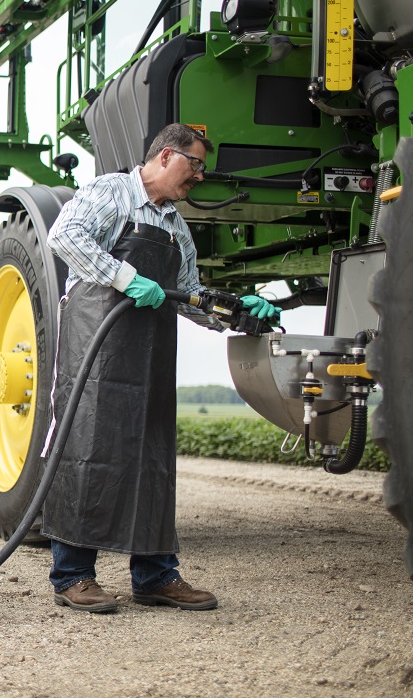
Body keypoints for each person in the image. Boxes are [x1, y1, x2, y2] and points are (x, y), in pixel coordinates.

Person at [42, 123, 280, 614]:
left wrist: (238, 312)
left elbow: (189, 296)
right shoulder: (112, 191)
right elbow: (65, 235)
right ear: (167, 155)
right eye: (195, 165)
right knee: (89, 449)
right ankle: (73, 575)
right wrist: (126, 277)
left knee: (152, 459)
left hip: (148, 355)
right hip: (98, 347)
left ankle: (154, 577)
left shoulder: (176, 225)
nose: (199, 177)